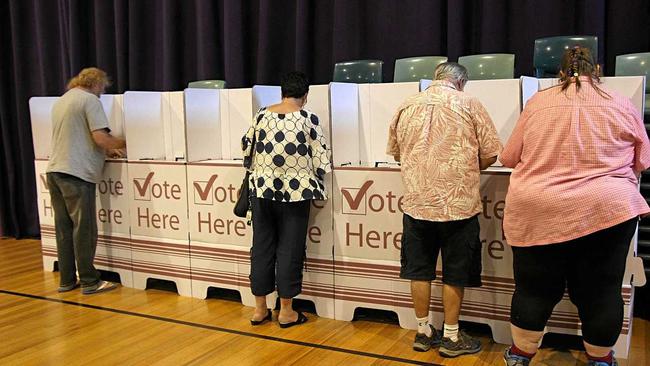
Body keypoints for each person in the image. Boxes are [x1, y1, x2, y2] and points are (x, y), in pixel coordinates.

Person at [501, 47, 650, 366]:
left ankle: (520, 355)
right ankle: (600, 360)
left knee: (533, 289)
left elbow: (509, 157)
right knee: (602, 291)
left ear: (560, 72)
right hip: (608, 208)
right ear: (597, 69)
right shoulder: (620, 102)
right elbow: (643, 160)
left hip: (539, 207)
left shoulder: (539, 101)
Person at [386, 62, 502, 357]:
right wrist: (464, 170)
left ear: (435, 79)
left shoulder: (406, 104)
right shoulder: (469, 103)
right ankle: (451, 336)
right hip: (458, 206)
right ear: (461, 82)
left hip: (416, 204)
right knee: (455, 272)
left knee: (419, 270)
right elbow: (491, 153)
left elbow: (397, 152)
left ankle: (423, 331)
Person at [242, 71, 331, 328]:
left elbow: (246, 146)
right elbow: (322, 160)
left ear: (282, 92)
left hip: (261, 190)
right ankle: (286, 312)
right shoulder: (308, 118)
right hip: (295, 193)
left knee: (261, 248)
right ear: (305, 95)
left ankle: (259, 310)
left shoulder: (261, 114)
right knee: (289, 250)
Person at [46, 67, 126, 295]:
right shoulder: (90, 100)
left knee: (64, 228)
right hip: (77, 172)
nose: (103, 93)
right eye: (103, 87)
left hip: (55, 170)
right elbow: (100, 137)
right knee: (84, 229)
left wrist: (106, 150)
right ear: (97, 83)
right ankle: (90, 281)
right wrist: (126, 142)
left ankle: (67, 280)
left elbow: (76, 136)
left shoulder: (62, 101)